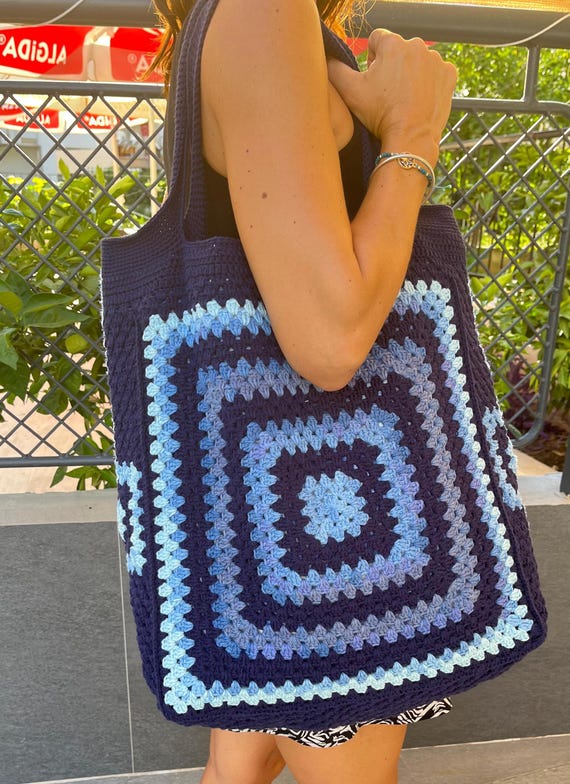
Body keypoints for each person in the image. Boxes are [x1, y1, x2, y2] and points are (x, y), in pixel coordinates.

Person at [147, 1, 457, 782]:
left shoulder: (236, 18)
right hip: (325, 544)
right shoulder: (263, 12)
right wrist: (413, 135)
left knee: (237, 770)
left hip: (265, 524)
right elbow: (330, 342)